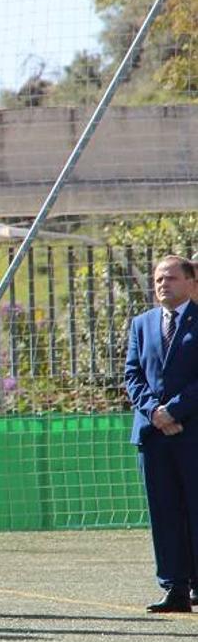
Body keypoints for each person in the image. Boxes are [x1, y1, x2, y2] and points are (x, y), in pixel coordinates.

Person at [124, 255, 198, 613]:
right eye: (157, 279)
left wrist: (175, 410)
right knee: (164, 512)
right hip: (153, 435)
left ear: (190, 282)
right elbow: (132, 374)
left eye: (170, 278)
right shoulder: (142, 323)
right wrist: (155, 412)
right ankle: (175, 587)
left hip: (192, 432)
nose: (162, 285)